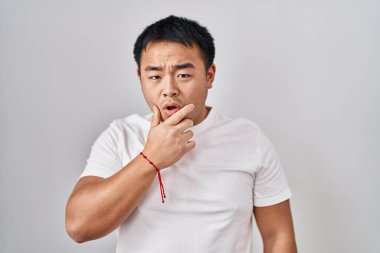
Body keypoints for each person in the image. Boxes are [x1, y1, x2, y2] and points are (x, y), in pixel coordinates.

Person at [65, 15, 297, 253]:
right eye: (155, 76)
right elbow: (79, 227)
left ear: (209, 76)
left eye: (183, 75)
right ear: (140, 79)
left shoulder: (249, 139)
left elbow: (278, 236)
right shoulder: (121, 135)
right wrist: (151, 158)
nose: (169, 90)